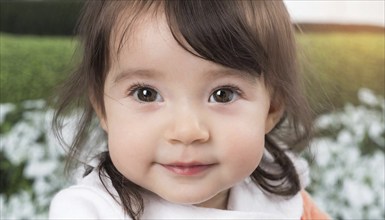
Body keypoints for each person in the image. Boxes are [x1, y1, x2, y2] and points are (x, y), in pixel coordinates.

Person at [50, 0, 330, 219]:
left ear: (272, 107)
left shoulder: (282, 199)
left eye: (223, 95)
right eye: (146, 94)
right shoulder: (91, 212)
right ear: (102, 107)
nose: (186, 131)